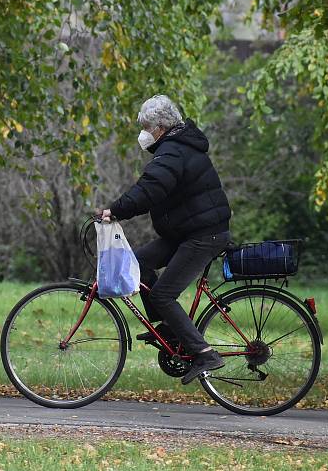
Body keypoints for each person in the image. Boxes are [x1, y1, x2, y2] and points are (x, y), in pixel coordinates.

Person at [98, 94, 232, 385]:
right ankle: (171, 329)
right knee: (138, 263)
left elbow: (151, 188)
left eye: (146, 127)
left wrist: (115, 210)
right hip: (189, 231)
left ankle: (205, 353)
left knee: (162, 294)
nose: (144, 134)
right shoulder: (177, 146)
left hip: (203, 235)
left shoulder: (173, 151)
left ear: (160, 127)